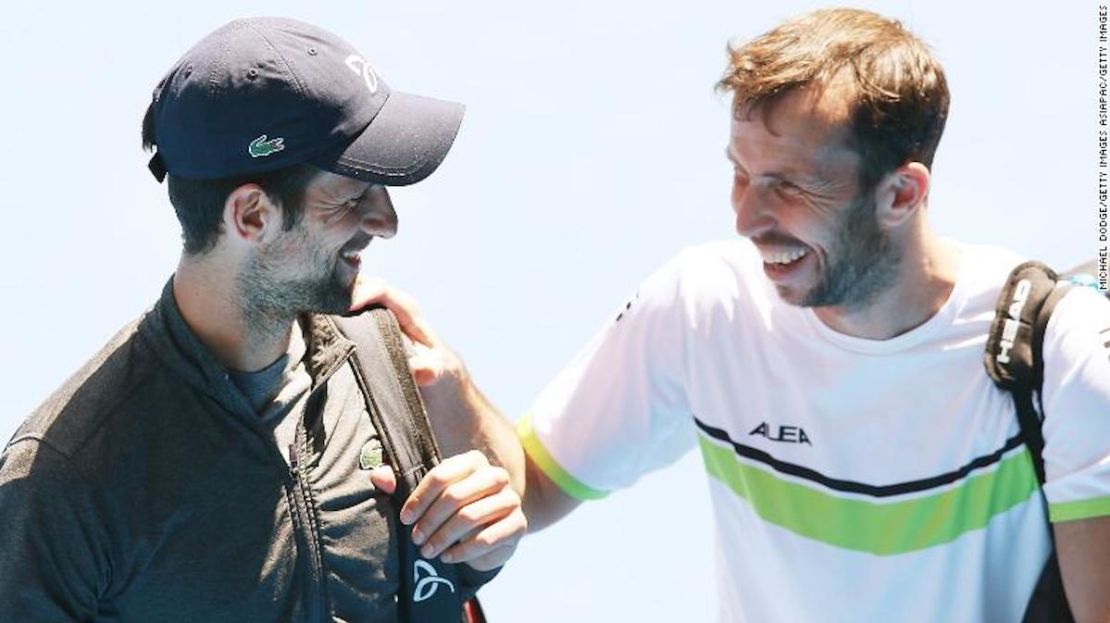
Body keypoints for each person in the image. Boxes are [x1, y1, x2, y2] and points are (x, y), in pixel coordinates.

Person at [400, 7, 1110, 622]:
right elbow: (530, 489)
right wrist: (451, 387)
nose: (746, 216)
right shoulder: (704, 307)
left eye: (788, 186)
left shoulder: (1060, 351)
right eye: (739, 173)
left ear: (901, 194)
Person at [0, 17, 525, 622]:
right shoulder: (66, 482)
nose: (386, 221)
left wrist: (486, 536)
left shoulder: (383, 346)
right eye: (353, 193)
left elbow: (474, 538)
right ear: (252, 215)